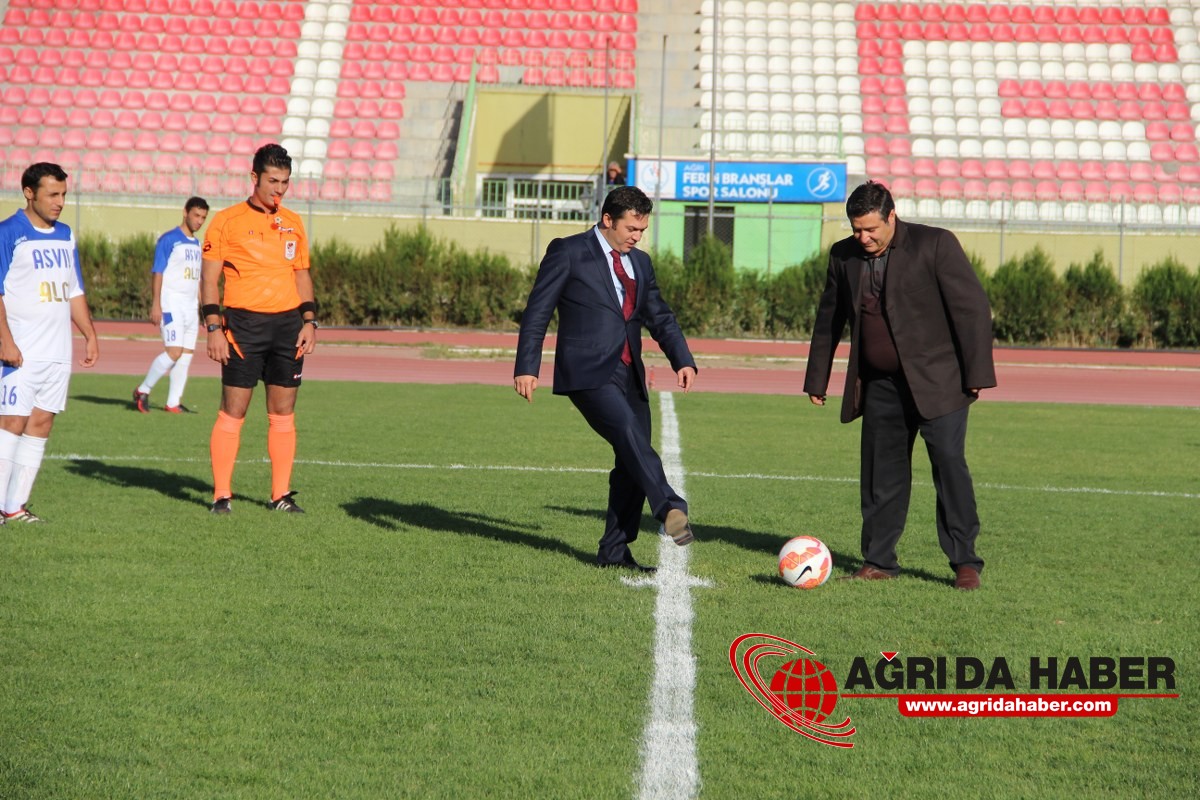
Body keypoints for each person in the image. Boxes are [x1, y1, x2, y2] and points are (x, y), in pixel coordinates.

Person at [804, 181, 996, 590]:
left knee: (949, 467)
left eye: (871, 229)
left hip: (940, 382)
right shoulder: (843, 256)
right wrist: (817, 377)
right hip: (879, 386)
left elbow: (972, 309)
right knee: (880, 476)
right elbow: (829, 319)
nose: (863, 237)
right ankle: (879, 560)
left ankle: (965, 562)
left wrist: (977, 375)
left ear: (892, 216)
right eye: (856, 230)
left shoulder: (936, 244)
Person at [514, 186, 697, 572]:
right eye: (631, 228)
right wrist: (527, 366)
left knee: (631, 459)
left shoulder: (641, 264)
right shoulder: (568, 251)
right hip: (587, 372)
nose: (637, 236)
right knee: (631, 436)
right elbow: (537, 311)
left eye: (642, 230)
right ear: (608, 219)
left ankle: (614, 552)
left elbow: (659, 316)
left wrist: (682, 358)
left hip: (630, 372)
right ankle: (669, 507)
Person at [200, 144, 317, 515]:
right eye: (272, 181)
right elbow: (208, 280)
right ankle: (222, 496)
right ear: (254, 178)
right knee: (233, 410)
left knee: (284, 412)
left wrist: (310, 322)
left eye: (285, 182)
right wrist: (214, 328)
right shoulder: (226, 221)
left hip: (287, 327)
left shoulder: (294, 222)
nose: (279, 189)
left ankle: (280, 495)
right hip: (243, 326)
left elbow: (302, 275)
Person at [0, 162, 100, 523]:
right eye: (52, 194)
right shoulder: (9, 232)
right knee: (10, 422)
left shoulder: (65, 234)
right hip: (20, 351)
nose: (60, 202)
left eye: (63, 194)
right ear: (29, 193)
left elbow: (73, 289)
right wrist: (5, 342)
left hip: (58, 351)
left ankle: (14, 508)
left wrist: (88, 334)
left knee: (41, 425)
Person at [133, 196, 209, 414]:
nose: (199, 221)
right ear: (185, 213)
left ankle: (173, 403)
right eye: (196, 215)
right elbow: (158, 272)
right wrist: (156, 304)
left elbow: (198, 279)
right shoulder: (169, 239)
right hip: (172, 304)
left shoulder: (196, 244)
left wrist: (203, 308)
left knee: (185, 355)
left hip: (190, 308)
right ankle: (142, 390)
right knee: (173, 352)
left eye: (203, 217)